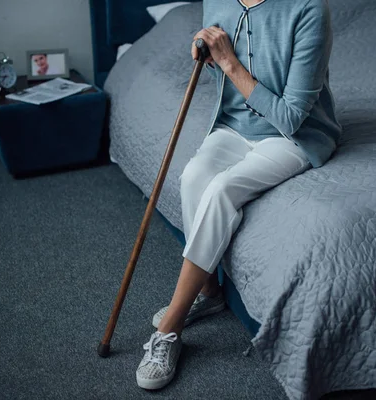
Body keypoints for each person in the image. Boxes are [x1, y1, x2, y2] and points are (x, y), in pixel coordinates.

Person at [135, 0, 342, 390]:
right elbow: (220, 73)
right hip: (233, 126)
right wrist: (206, 53)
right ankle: (210, 291)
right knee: (193, 176)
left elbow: (291, 117)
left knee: (221, 189)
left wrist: (229, 61)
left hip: (292, 137)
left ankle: (171, 328)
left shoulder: (310, 9)